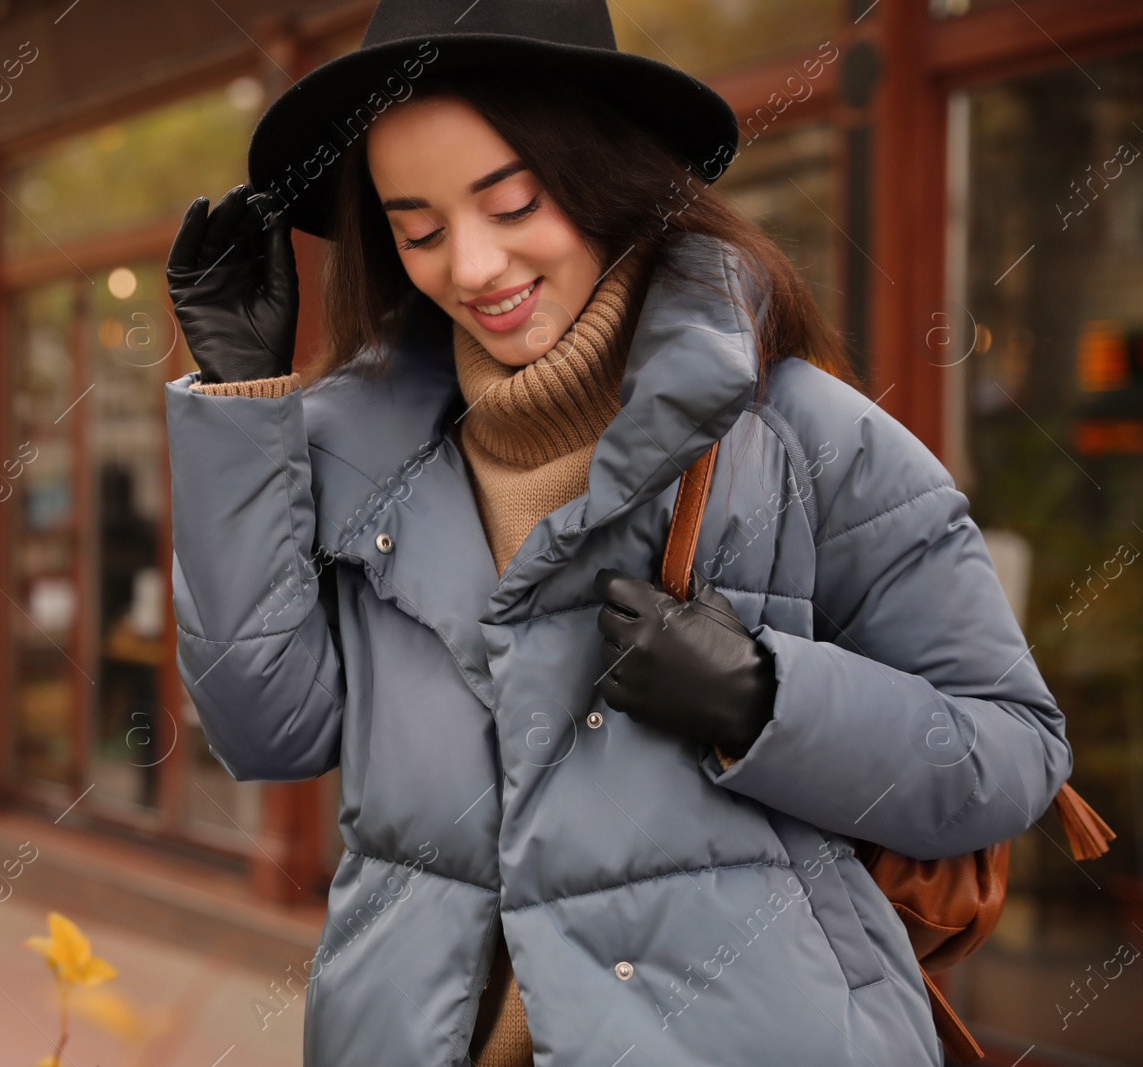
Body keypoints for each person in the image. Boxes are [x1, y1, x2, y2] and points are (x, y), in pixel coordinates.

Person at [163, 2, 1074, 1064]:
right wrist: (239, 407)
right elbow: (266, 730)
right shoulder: (353, 456)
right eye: (417, 230)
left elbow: (1011, 752)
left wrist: (761, 697)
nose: (470, 266)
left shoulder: (805, 437)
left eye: (511, 205)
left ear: (604, 178)